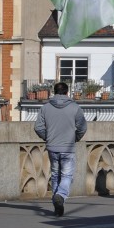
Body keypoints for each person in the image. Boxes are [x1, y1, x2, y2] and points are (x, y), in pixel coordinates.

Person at [34, 81, 87, 217]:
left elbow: (38, 127)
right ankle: (61, 195)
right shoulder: (75, 107)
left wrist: (48, 137)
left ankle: (57, 205)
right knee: (67, 175)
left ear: (54, 92)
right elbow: (82, 127)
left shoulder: (45, 108)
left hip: (52, 147)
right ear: (67, 92)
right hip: (68, 147)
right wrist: (75, 138)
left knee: (56, 175)